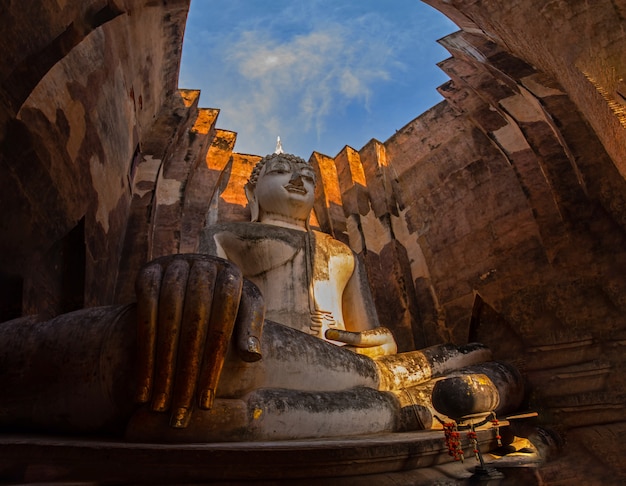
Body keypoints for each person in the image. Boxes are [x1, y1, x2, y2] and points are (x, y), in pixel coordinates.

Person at [0, 152, 524, 442]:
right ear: (252, 192)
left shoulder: (341, 251)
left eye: (306, 177)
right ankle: (400, 408)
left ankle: (399, 403)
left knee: (434, 360)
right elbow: (210, 293)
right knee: (248, 359)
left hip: (340, 357)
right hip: (255, 344)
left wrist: (366, 337)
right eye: (281, 173)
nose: (297, 180)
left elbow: (378, 333)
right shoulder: (234, 235)